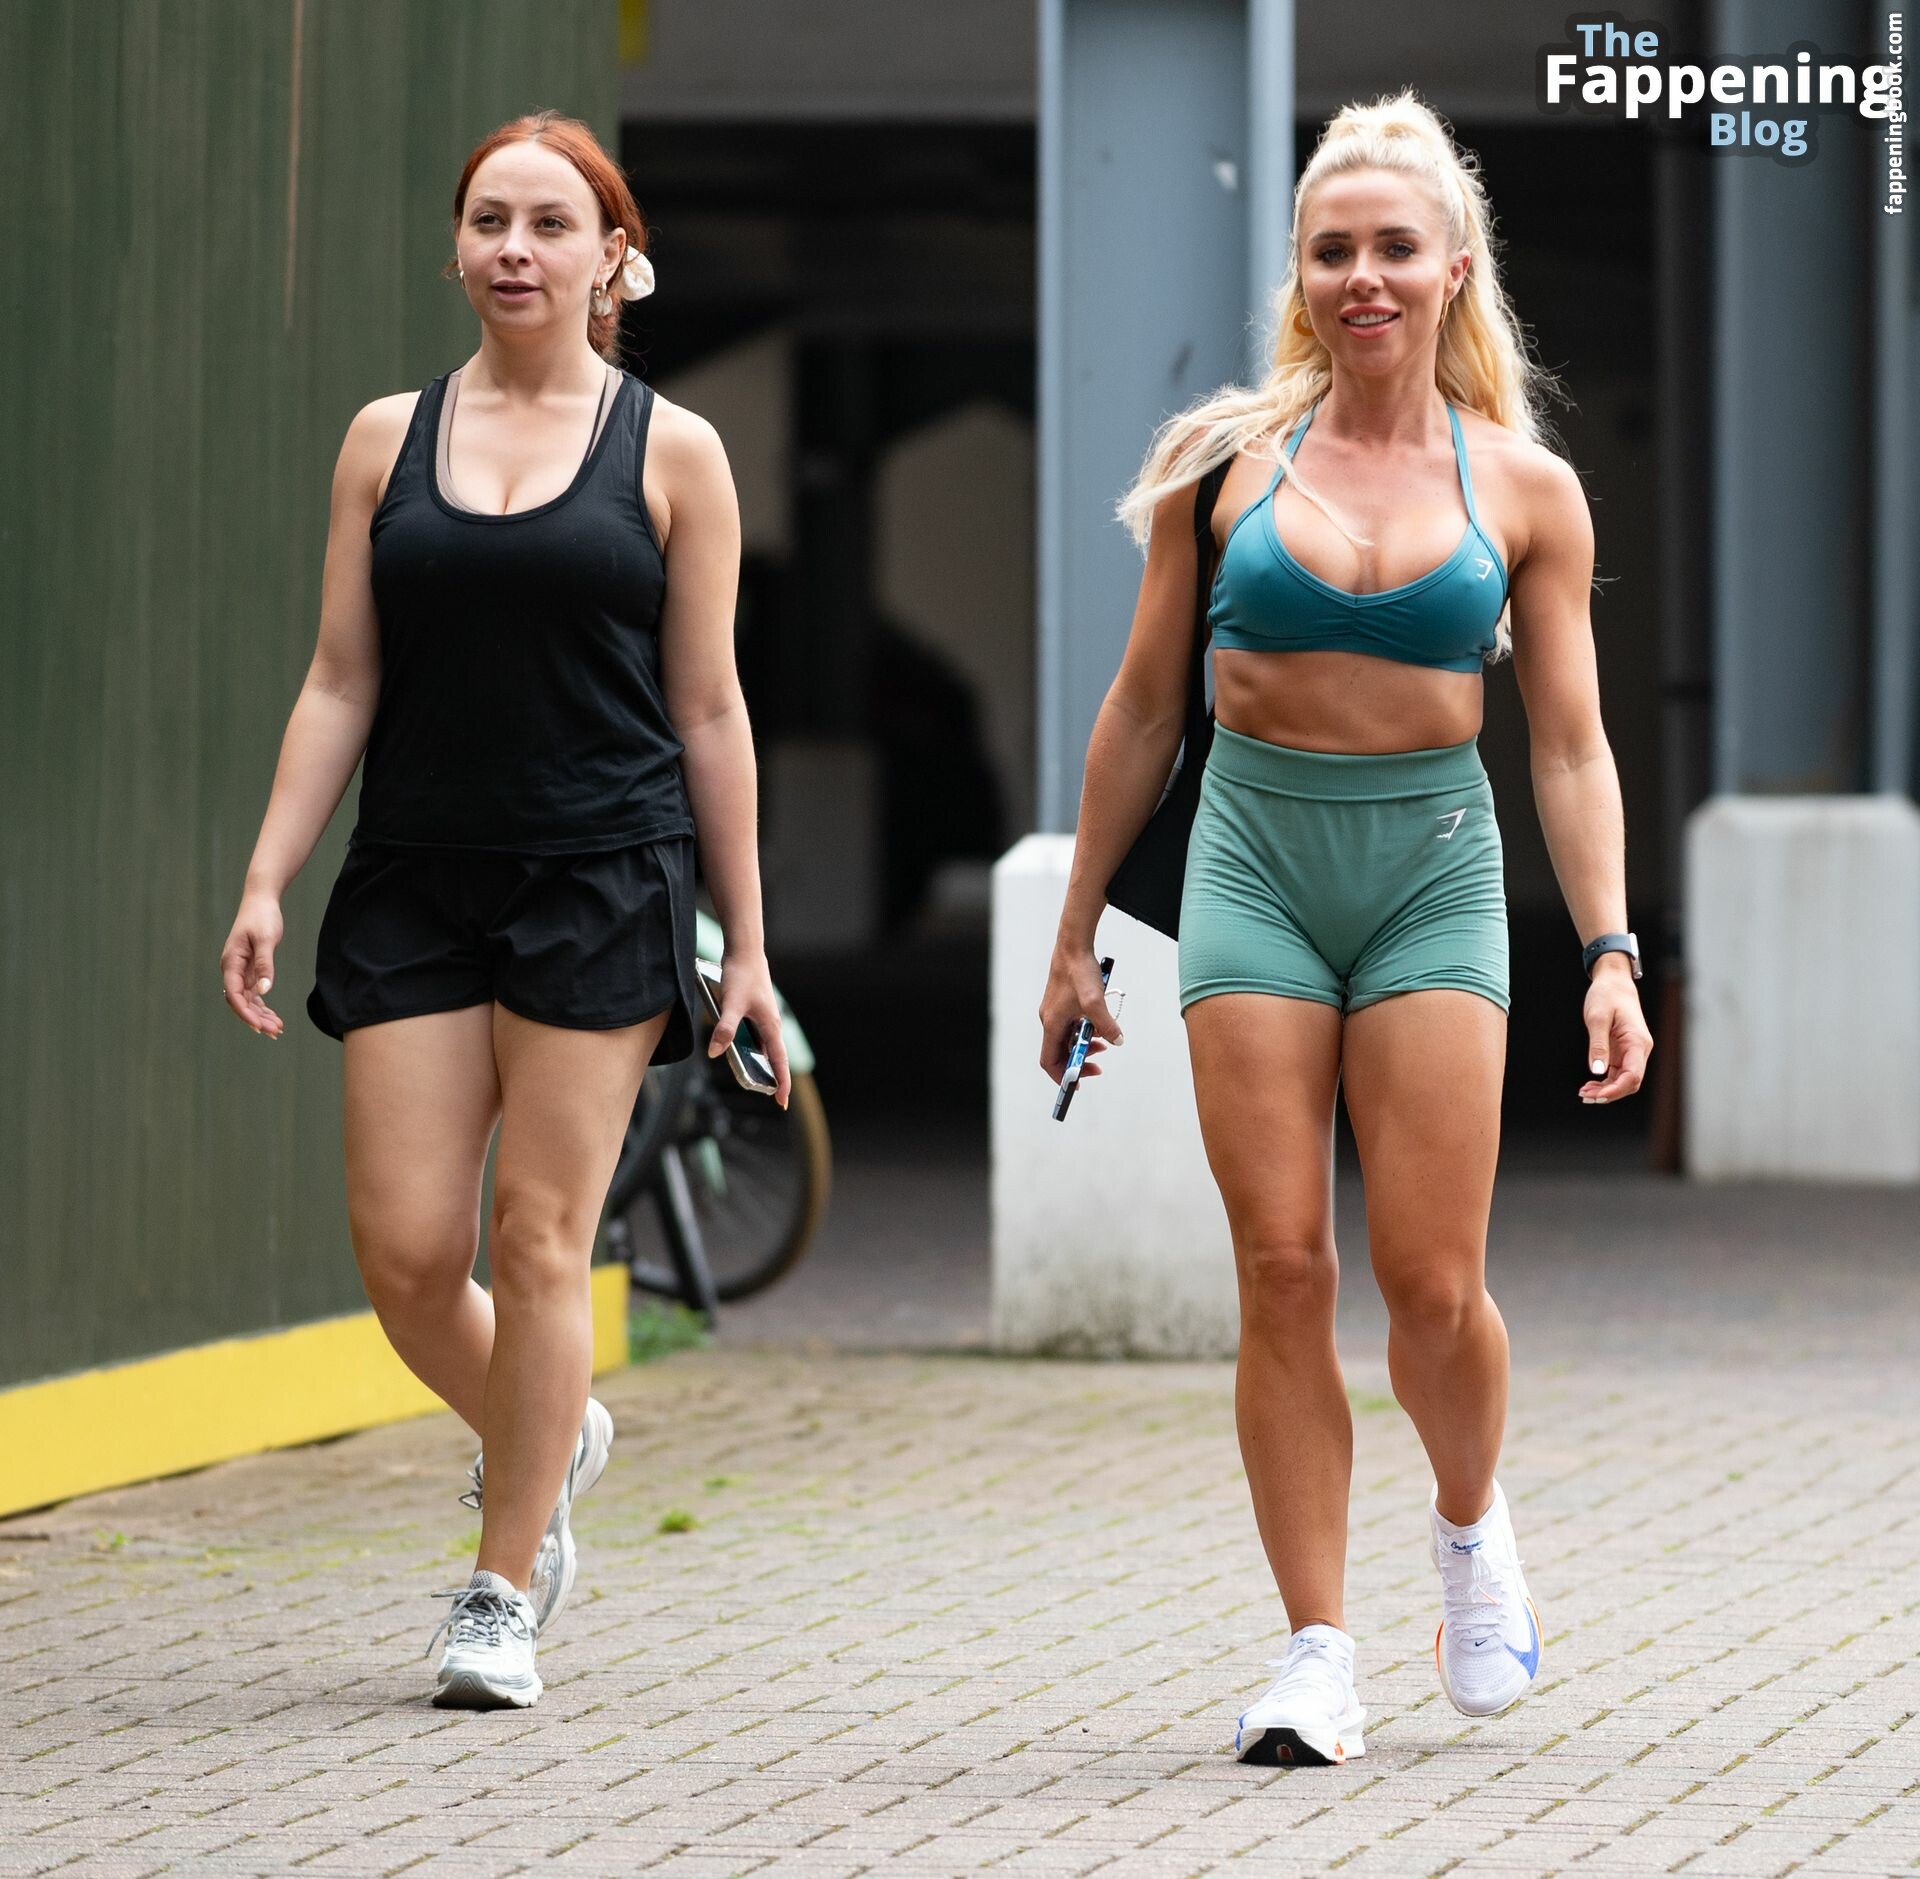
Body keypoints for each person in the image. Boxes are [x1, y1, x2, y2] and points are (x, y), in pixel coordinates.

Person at [1037, 91, 1652, 1766]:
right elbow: (1140, 710)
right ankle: (1316, 1651)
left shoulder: (1528, 488)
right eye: (1332, 252)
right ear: (1299, 276)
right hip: (1253, 870)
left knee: (1432, 1283)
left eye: (1393, 248)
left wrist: (1609, 951)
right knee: (1284, 1264)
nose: (1361, 277)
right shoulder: (1219, 472)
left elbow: (1570, 747)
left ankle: (1468, 1524)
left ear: (1455, 268)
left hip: (1434, 875)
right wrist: (1079, 932)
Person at [218, 111, 790, 1710]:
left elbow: (712, 709)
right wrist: (268, 872)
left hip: (602, 876)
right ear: (457, 246)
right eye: (490, 221)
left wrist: (746, 944)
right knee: (409, 1254)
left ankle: (500, 1584)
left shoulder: (673, 452)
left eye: (550, 223)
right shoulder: (383, 440)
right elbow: (341, 679)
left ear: (613, 257)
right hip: (415, 874)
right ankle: (552, 1426)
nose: (515, 249)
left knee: (540, 1236)